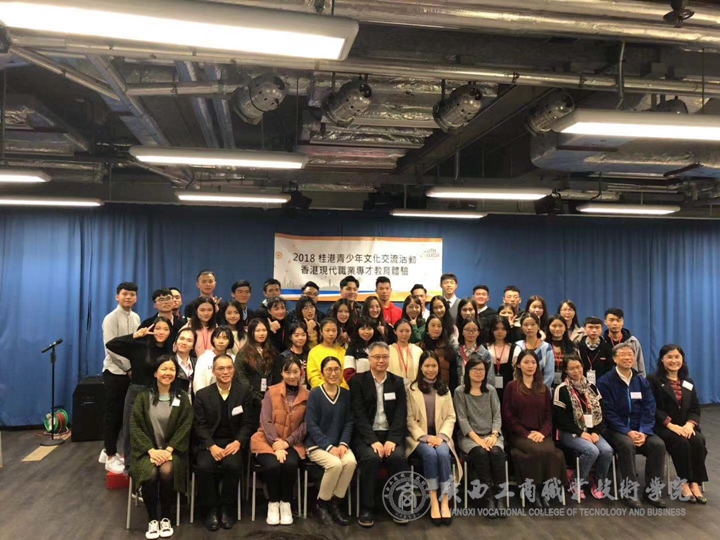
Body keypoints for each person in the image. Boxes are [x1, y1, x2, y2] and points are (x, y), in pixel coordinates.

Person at [129, 355, 192, 540]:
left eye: (172, 369)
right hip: (146, 452)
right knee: (150, 472)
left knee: (166, 470)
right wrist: (151, 450)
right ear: (156, 373)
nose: (168, 373)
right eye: (164, 369)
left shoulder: (182, 397)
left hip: (173, 452)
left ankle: (165, 517)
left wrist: (169, 449)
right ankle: (152, 520)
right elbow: (135, 426)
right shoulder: (143, 397)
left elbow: (186, 426)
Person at [598, 343, 666, 508]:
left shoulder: (641, 381)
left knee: (658, 445)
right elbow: (608, 412)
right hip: (615, 429)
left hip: (640, 429)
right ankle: (630, 492)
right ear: (614, 359)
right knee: (627, 445)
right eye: (623, 354)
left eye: (630, 354)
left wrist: (644, 431)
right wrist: (627, 431)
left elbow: (649, 408)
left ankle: (652, 492)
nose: (628, 357)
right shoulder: (605, 382)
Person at [194, 354, 256, 531]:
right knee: (204, 466)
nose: (226, 372)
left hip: (233, 442)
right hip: (210, 443)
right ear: (213, 371)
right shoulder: (202, 395)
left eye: (229, 368)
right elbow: (199, 425)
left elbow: (248, 423)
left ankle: (227, 509)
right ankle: (211, 510)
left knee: (233, 466)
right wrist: (211, 446)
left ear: (234, 370)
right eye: (221, 368)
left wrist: (238, 442)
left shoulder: (243, 392)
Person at [350, 342, 409, 527]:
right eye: (376, 357)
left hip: (391, 434)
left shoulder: (397, 382)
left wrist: (392, 439)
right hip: (366, 435)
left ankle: (398, 505)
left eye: (384, 357)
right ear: (369, 359)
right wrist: (373, 441)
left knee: (398, 457)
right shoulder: (358, 381)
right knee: (370, 458)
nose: (381, 361)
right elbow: (358, 415)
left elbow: (401, 414)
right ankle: (367, 508)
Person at [106, 318, 173, 473]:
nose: (161, 332)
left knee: (152, 430)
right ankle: (131, 467)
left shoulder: (169, 350)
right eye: (158, 328)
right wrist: (134, 336)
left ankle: (152, 463)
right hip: (137, 391)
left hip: (158, 393)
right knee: (131, 429)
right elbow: (111, 344)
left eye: (165, 329)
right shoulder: (139, 345)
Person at [501, 350, 566, 508]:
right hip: (519, 434)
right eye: (526, 362)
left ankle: (546, 489)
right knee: (535, 451)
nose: (530, 366)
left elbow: (549, 414)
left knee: (551, 452)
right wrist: (526, 433)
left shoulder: (543, 388)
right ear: (518, 365)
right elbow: (507, 415)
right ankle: (533, 490)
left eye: (533, 362)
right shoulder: (511, 387)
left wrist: (542, 433)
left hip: (541, 433)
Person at [252, 355, 309, 525]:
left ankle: (286, 503)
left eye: (295, 372)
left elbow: (306, 424)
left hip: (293, 442)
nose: (292, 376)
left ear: (301, 372)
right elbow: (265, 420)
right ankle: (273, 503)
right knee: (273, 465)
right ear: (281, 373)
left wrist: (287, 442)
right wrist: (276, 443)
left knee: (290, 464)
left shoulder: (308, 395)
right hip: (267, 440)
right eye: (287, 372)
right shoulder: (271, 392)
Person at [406, 351, 461, 525]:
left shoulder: (444, 388)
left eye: (434, 366)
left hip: (441, 435)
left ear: (438, 367)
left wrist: (441, 436)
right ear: (421, 367)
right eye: (427, 366)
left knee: (443, 454)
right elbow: (409, 418)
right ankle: (433, 500)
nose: (431, 369)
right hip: (419, 437)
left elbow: (451, 416)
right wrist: (425, 437)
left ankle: (444, 500)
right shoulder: (411, 389)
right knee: (430, 454)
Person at [648, 345, 708, 503]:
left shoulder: (688, 381)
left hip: (685, 426)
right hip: (663, 426)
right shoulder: (653, 380)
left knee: (698, 441)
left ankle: (695, 482)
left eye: (677, 357)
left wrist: (690, 425)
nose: (673, 360)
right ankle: (684, 482)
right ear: (662, 359)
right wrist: (670, 424)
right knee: (682, 443)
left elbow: (695, 408)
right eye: (669, 357)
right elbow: (651, 407)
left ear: (682, 359)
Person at [553, 356, 613, 500]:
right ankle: (576, 482)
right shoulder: (561, 389)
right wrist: (580, 432)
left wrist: (596, 432)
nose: (576, 371)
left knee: (607, 450)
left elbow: (601, 412)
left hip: (591, 431)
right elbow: (560, 419)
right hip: (569, 432)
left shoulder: (592, 387)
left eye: (578, 367)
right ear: (566, 370)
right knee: (591, 450)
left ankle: (598, 482)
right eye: (572, 368)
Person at [305, 356, 356, 526]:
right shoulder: (315, 394)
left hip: (339, 444)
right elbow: (311, 424)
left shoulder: (346, 394)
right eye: (329, 370)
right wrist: (328, 447)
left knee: (350, 462)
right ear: (322, 373)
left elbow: (349, 422)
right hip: (317, 445)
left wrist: (343, 444)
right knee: (335, 464)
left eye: (336, 369)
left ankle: (335, 503)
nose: (333, 373)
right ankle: (321, 504)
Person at [453, 354, 506, 515]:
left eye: (482, 369)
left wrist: (494, 435)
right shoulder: (460, 391)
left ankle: (501, 497)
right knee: (481, 453)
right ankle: (488, 498)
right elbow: (462, 420)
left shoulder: (490, 390)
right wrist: (478, 440)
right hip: (469, 437)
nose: (478, 372)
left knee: (496, 452)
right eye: (474, 369)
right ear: (467, 371)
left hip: (491, 435)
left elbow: (497, 416)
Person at [101, 281, 141, 474]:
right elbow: (111, 347)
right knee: (113, 415)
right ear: (117, 296)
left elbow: (136, 345)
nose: (128, 297)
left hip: (131, 373)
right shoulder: (110, 318)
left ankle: (108, 450)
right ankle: (110, 455)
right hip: (114, 373)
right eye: (125, 294)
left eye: (132, 294)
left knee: (127, 416)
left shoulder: (136, 317)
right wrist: (128, 368)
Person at [235, 318, 278, 407]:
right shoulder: (243, 353)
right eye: (258, 331)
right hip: (250, 400)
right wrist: (258, 398)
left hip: (271, 397)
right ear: (251, 332)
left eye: (264, 330)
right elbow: (242, 379)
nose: (261, 333)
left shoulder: (272, 351)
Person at [511, 313, 555, 389]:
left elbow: (549, 376)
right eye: (525, 325)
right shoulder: (517, 346)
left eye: (533, 324)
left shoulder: (546, 347)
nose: (529, 328)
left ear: (538, 326)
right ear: (521, 327)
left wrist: (538, 390)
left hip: (542, 390)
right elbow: (515, 372)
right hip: (521, 390)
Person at [307, 318, 349, 389]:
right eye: (327, 330)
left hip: (341, 390)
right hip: (320, 391)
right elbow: (313, 377)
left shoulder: (343, 351)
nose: (331, 334)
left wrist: (340, 389)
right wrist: (327, 389)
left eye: (334, 330)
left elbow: (346, 375)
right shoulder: (314, 352)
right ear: (321, 332)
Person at [603, 308, 646, 376]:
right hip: (606, 381)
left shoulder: (633, 341)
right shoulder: (601, 342)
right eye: (611, 320)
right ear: (605, 322)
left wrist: (641, 380)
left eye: (618, 320)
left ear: (623, 322)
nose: (615, 323)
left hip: (630, 380)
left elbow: (640, 366)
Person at [421, 314, 459, 391]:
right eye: (433, 325)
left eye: (439, 326)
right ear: (427, 327)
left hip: (444, 390)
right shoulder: (420, 347)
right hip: (423, 389)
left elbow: (453, 375)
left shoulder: (449, 348)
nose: (436, 328)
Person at [194, 326, 235, 394]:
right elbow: (198, 382)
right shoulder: (204, 358)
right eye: (218, 337)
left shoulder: (233, 359)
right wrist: (202, 397)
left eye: (225, 338)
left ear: (229, 341)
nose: (221, 341)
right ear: (213, 339)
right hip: (206, 396)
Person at [486, 317, 518, 404]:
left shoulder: (515, 349)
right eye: (496, 328)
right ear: (492, 330)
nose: (500, 332)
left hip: (509, 392)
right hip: (488, 390)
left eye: (503, 329)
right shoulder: (485, 348)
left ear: (507, 331)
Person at [344, 316, 381, 381]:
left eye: (369, 329)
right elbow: (348, 375)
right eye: (363, 329)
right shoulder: (352, 350)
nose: (366, 332)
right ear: (357, 331)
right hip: (359, 385)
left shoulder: (378, 348)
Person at [577, 316, 614, 384]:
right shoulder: (578, 347)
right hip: (581, 383)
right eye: (590, 327)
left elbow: (609, 369)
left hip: (603, 384)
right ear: (585, 328)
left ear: (601, 329)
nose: (594, 330)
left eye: (597, 327)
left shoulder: (607, 348)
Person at [456, 318, 492, 384]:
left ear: (478, 332)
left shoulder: (484, 354)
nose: (471, 333)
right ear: (462, 332)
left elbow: (489, 378)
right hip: (458, 388)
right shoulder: (456, 351)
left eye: (474, 330)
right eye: (467, 330)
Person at [273, 321, 310, 387]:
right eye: (296, 335)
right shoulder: (284, 356)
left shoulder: (309, 354)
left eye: (303, 335)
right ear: (290, 337)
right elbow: (278, 380)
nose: (300, 338)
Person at [546, 315, 578, 387]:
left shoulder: (573, 346)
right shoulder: (543, 346)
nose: (557, 329)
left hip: (568, 385)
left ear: (565, 328)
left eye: (560, 326)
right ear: (548, 327)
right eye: (554, 326)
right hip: (547, 385)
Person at [388, 319, 423, 384]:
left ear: (411, 331)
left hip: (414, 386)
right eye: (401, 331)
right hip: (394, 386)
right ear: (395, 331)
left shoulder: (418, 350)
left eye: (407, 331)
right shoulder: (388, 350)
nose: (404, 334)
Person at [173, 328, 196, 396]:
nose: (184, 343)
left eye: (189, 340)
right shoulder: (169, 362)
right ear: (176, 341)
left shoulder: (198, 363)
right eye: (182, 339)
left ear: (193, 346)